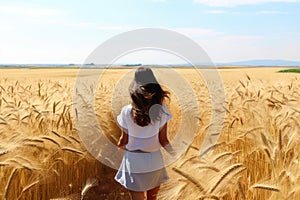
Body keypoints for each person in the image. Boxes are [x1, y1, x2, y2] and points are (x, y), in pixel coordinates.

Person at [115, 67, 174, 200]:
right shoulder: (161, 111)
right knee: (152, 198)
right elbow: (163, 140)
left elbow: (123, 140)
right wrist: (176, 154)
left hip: (133, 160)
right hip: (154, 159)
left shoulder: (126, 111)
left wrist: (118, 149)